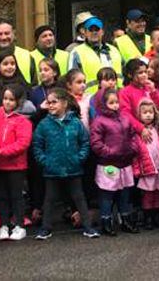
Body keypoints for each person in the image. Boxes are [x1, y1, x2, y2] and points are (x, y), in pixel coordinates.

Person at [32, 88, 99, 239]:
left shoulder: (76, 123)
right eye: (48, 103)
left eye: (54, 102)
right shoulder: (44, 125)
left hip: (73, 167)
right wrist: (45, 161)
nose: (50, 105)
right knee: (49, 199)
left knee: (79, 197)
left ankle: (88, 226)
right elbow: (37, 145)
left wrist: (79, 158)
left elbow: (84, 142)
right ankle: (45, 228)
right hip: (52, 169)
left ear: (65, 103)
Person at [0, 83, 33, 240]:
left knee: (16, 196)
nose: (7, 102)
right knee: (1, 197)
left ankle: (19, 225)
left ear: (18, 101)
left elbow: (22, 143)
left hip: (16, 166)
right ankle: (3, 225)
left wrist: (3, 152)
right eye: (5, 99)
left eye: (11, 100)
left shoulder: (23, 120)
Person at [89, 88, 140, 235]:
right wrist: (110, 153)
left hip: (125, 162)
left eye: (116, 102)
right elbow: (96, 143)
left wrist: (133, 148)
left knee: (125, 193)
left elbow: (132, 135)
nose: (115, 105)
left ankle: (125, 220)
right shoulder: (99, 122)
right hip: (108, 164)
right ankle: (106, 221)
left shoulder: (124, 118)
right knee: (107, 195)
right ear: (102, 104)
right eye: (111, 103)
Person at [133, 99, 159, 229]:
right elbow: (135, 154)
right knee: (148, 194)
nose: (148, 115)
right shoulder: (138, 133)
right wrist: (136, 169)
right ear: (139, 115)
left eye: (150, 112)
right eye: (145, 112)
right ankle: (148, 217)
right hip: (146, 169)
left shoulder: (158, 130)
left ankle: (157, 216)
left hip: (158, 168)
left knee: (158, 192)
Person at [69, 16, 124, 94]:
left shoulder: (114, 50)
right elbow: (71, 79)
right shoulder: (76, 52)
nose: (94, 32)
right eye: (91, 30)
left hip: (115, 98)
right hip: (90, 100)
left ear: (102, 32)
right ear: (85, 32)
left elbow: (123, 75)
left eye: (97, 29)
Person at [0, 20, 37, 85]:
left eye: (7, 33)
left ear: (13, 34)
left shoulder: (26, 55)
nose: (4, 37)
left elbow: (34, 85)